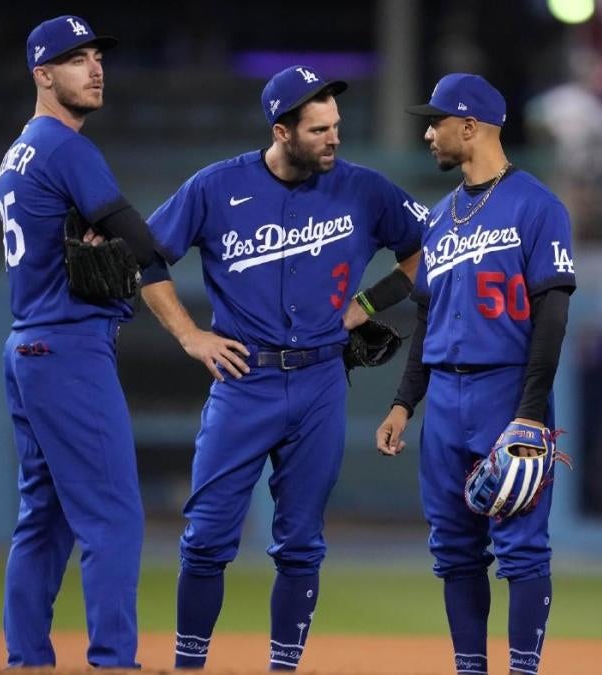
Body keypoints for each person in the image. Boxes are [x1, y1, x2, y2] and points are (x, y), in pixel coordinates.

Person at [140, 65, 426, 671]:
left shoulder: (365, 189)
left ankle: (283, 667)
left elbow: (432, 247)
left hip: (322, 379)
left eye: (336, 126)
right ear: (281, 130)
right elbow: (145, 258)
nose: (333, 138)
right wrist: (190, 334)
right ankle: (188, 664)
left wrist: (370, 303)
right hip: (243, 381)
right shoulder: (216, 187)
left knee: (301, 544)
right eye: (319, 128)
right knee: (207, 538)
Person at [375, 73, 577, 675]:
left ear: (470, 127)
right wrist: (403, 402)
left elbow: (553, 317)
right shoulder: (438, 217)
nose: (428, 132)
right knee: (455, 552)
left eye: (436, 121)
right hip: (444, 398)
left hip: (506, 390)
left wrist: (530, 412)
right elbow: (427, 316)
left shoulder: (538, 206)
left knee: (520, 549)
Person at [0, 15, 173, 668]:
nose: (94, 67)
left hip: (28, 345)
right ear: (42, 74)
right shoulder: (67, 148)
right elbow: (150, 246)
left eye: (97, 55)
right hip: (68, 345)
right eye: (74, 59)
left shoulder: (19, 151)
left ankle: (27, 658)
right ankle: (111, 661)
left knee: (44, 518)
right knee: (114, 518)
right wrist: (124, 242)